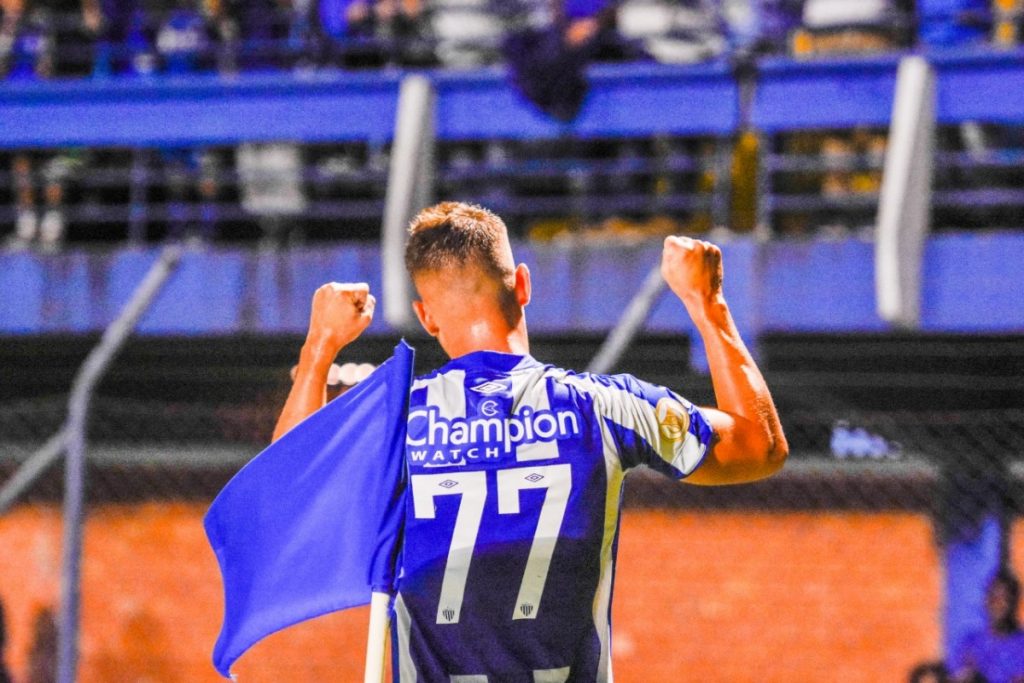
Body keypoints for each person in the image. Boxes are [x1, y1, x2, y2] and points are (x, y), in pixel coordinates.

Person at [273, 201, 788, 680]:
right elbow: (760, 445)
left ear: (426, 317)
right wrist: (707, 302)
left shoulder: (397, 421)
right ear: (522, 284)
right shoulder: (602, 406)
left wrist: (320, 345)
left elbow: (283, 489)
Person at [950, 567, 1024, 683]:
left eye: (1004, 598)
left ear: (1014, 602)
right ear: (986, 600)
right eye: (993, 597)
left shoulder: (1021, 645)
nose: (998, 604)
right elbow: (956, 676)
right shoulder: (970, 642)